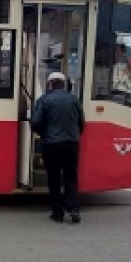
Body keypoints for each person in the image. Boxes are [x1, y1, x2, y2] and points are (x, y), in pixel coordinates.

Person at [30, 71, 85, 223]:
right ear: (64, 84)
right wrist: (74, 136)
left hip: (51, 145)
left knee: (53, 179)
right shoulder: (74, 100)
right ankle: (74, 209)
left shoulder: (44, 100)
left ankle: (58, 213)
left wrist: (44, 134)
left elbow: (35, 122)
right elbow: (81, 123)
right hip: (71, 145)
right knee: (71, 178)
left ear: (50, 84)